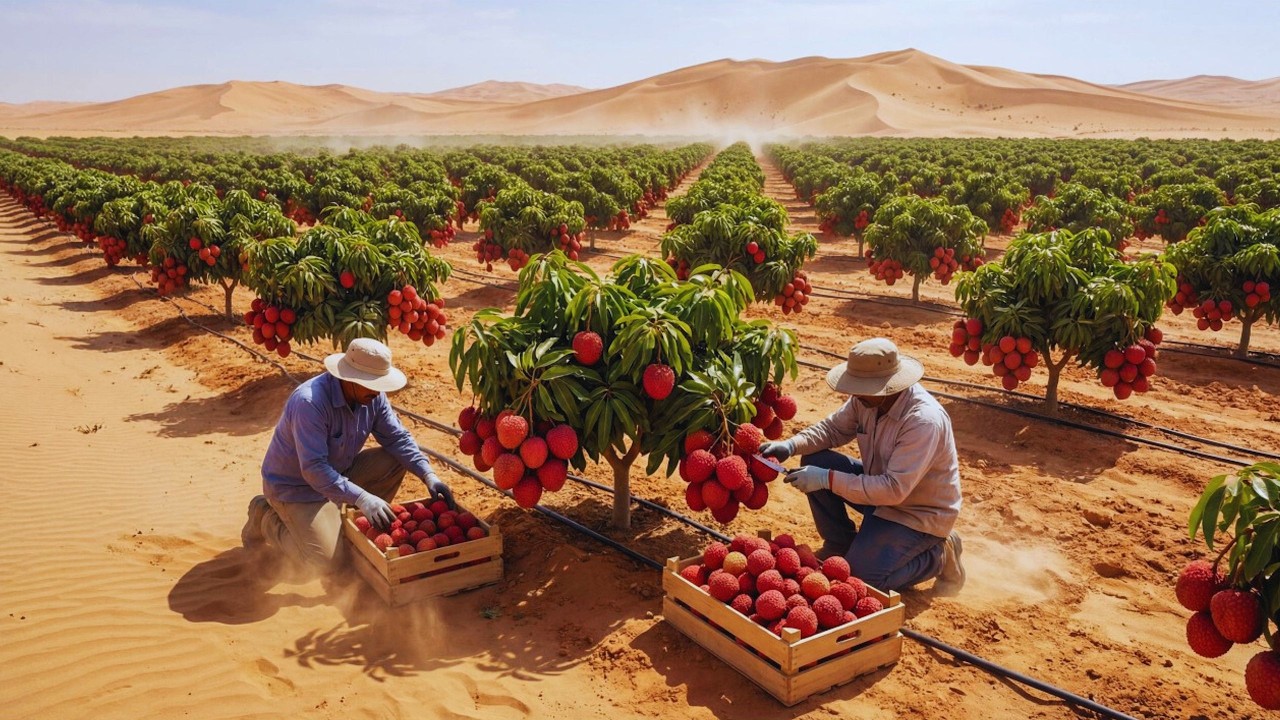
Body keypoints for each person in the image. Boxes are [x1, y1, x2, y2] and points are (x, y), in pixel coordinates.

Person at [759, 337, 965, 593]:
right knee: (815, 459)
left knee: (863, 582)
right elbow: (833, 429)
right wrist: (791, 445)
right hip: (878, 490)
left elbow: (894, 490)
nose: (854, 393)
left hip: (916, 513)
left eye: (861, 387)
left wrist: (826, 479)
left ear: (887, 386)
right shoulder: (867, 401)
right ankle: (839, 542)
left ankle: (939, 554)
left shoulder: (923, 421)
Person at [241, 337, 453, 576]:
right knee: (323, 563)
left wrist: (429, 475)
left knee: (395, 459)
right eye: (371, 384)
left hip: (338, 474)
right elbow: (314, 469)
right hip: (296, 489)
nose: (377, 390)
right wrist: (363, 498)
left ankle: (349, 523)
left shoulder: (373, 397)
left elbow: (398, 439)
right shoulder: (309, 403)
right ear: (349, 377)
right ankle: (265, 516)